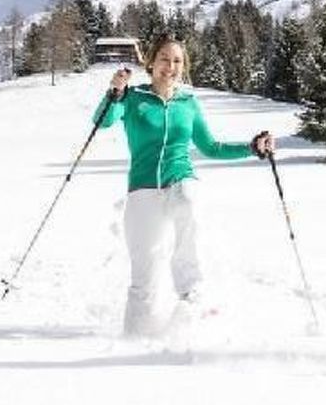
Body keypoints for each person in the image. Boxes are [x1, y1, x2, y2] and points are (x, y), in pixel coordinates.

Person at [100, 36, 275, 335]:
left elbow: (211, 147)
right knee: (144, 273)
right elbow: (103, 121)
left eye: (177, 61)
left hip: (180, 177)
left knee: (189, 201)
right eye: (164, 59)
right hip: (143, 188)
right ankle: (137, 338)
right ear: (151, 62)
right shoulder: (133, 97)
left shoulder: (188, 104)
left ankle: (192, 298)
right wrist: (114, 94)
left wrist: (251, 147)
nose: (170, 66)